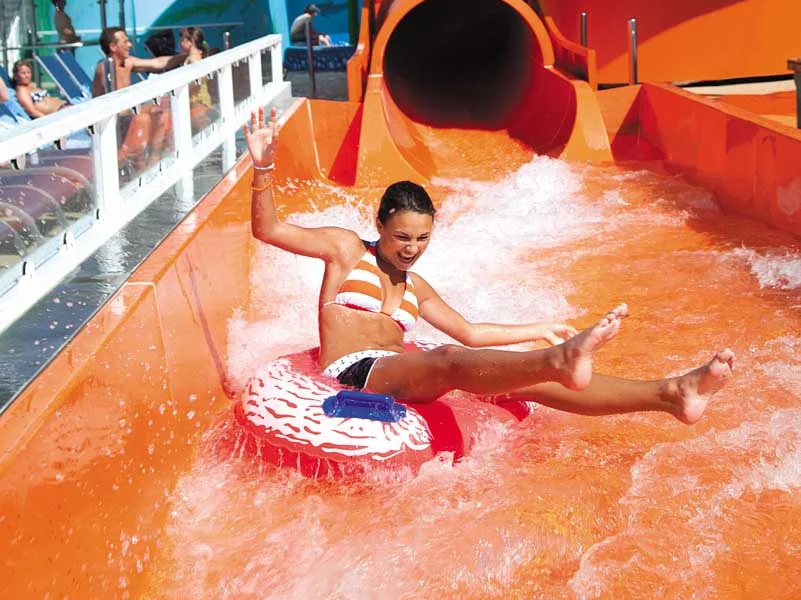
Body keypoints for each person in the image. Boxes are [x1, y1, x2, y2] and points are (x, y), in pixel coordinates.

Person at [243, 106, 735, 419]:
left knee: (531, 384)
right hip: (353, 371)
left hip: (400, 366)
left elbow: (472, 332)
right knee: (447, 362)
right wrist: (263, 169)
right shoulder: (345, 248)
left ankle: (671, 393)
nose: (411, 248)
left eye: (422, 238)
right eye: (400, 237)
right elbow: (269, 230)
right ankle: (563, 361)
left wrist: (537, 328)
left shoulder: (418, 288)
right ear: (380, 224)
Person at [92, 27, 184, 168]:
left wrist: (184, 56)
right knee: (144, 117)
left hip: (126, 117)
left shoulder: (127, 63)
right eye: (125, 42)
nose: (130, 45)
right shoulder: (104, 69)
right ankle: (140, 169)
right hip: (110, 123)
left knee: (163, 114)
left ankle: (154, 161)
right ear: (113, 47)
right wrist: (144, 109)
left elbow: (157, 63)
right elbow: (115, 108)